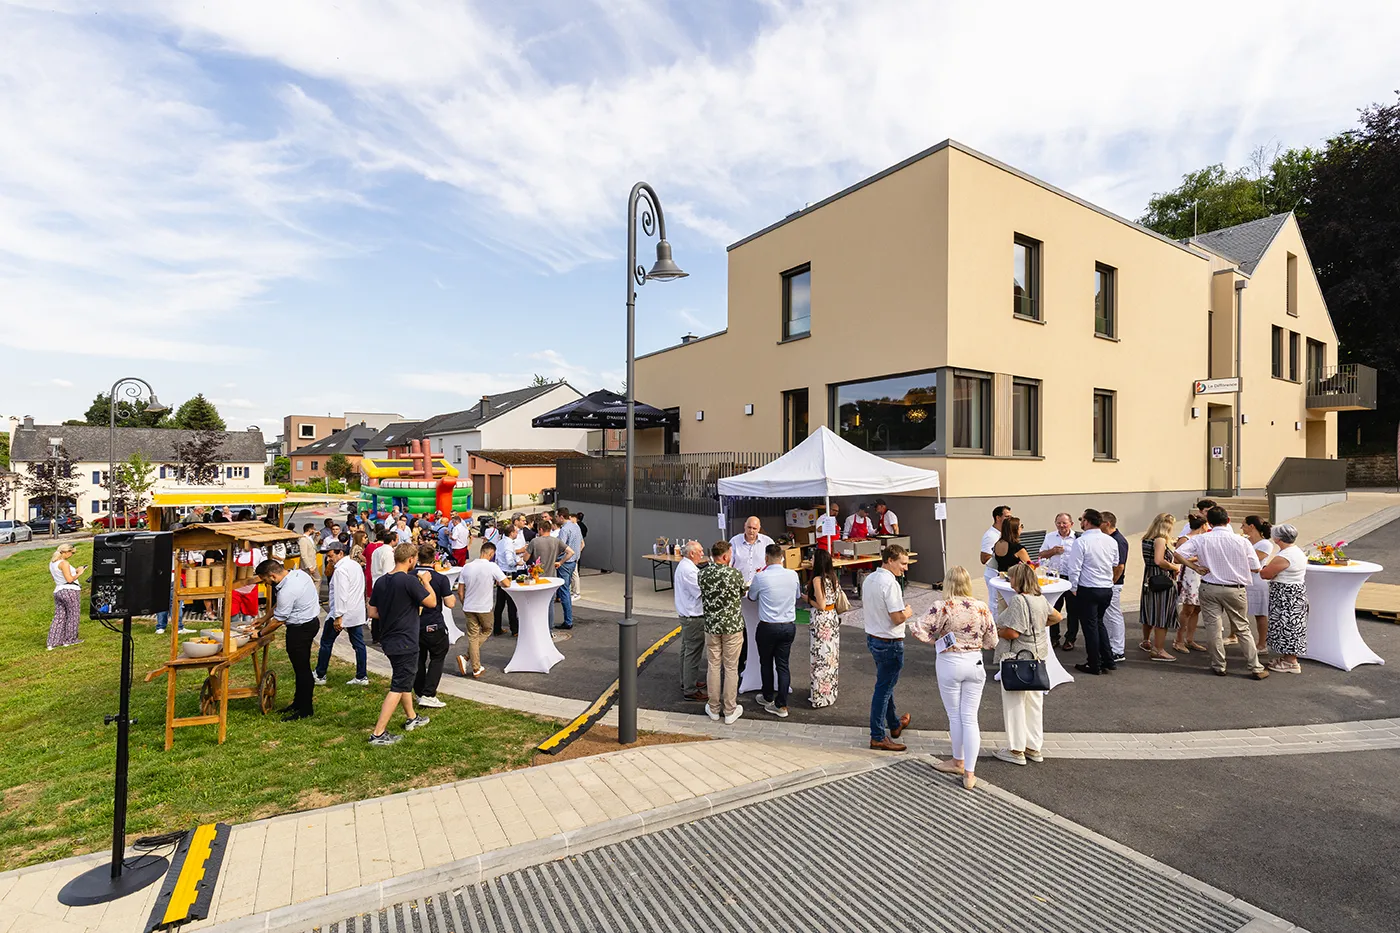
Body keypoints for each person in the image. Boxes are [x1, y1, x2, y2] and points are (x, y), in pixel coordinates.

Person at [911, 566, 995, 789]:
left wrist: (935, 642)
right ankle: (970, 773)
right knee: (971, 718)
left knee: (955, 715)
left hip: (949, 663)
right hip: (975, 663)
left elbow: (918, 628)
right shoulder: (981, 607)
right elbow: (992, 641)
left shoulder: (942, 606)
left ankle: (957, 760)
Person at [1174, 507, 1269, 680]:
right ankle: (1255, 666)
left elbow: (1178, 553)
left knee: (1213, 627)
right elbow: (1256, 567)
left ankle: (1219, 665)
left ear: (1209, 522)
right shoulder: (1242, 541)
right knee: (1242, 628)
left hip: (1209, 585)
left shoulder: (1202, 539)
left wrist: (1195, 567)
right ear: (1228, 520)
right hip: (1235, 588)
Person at [367, 543, 437, 745]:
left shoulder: (382, 582)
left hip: (388, 640)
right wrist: (426, 582)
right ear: (411, 560)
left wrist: (391, 615)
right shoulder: (409, 581)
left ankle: (412, 717)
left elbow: (372, 612)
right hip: (405, 641)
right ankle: (378, 733)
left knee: (403, 678)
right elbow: (431, 602)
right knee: (398, 685)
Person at [994, 563, 1060, 766]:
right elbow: (1057, 616)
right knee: (1034, 704)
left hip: (1017, 656)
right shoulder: (1039, 599)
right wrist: (1038, 628)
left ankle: (1016, 749)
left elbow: (1013, 632)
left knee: (1015, 704)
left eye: (1011, 577)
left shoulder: (1018, 601)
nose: (1010, 581)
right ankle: (1034, 746)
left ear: (1018, 580)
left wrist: (997, 633)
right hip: (1037, 656)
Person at [255, 558, 322, 721]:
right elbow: (280, 606)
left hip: (300, 629)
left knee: (302, 670)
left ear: (272, 576)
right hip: (311, 623)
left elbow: (279, 620)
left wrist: (259, 634)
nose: (266, 584)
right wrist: (264, 618)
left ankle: (305, 709)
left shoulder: (287, 590)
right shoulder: (298, 574)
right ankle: (298, 702)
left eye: (265, 581)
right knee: (300, 668)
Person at [863, 545, 913, 751]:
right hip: (889, 642)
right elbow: (896, 618)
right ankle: (877, 735)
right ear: (890, 560)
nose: (905, 568)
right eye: (903, 563)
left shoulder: (869, 579)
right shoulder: (890, 584)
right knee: (883, 689)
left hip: (873, 638)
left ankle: (894, 724)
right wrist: (908, 612)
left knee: (886, 685)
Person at [745, 543, 801, 718]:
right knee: (783, 665)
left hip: (768, 626)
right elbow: (798, 596)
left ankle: (768, 696)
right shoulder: (793, 575)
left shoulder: (761, 577)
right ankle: (782, 704)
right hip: (788, 625)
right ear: (782, 558)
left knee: (766, 662)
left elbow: (751, 597)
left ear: (766, 558)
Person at [1065, 508, 1118, 675]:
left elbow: (1074, 568)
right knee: (1099, 622)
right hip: (1106, 587)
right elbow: (1115, 562)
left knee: (1090, 627)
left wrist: (1073, 587)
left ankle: (1094, 663)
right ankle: (1108, 660)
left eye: (1082, 520)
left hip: (1089, 588)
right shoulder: (1110, 540)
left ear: (1087, 522)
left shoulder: (1081, 541)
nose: (1081, 523)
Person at [699, 540, 745, 723]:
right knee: (731, 668)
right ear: (725, 556)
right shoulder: (735, 574)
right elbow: (742, 592)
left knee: (713, 665)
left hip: (711, 625)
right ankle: (730, 709)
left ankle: (713, 707)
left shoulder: (703, 574)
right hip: (732, 627)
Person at [313, 540, 369, 686]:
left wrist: (338, 616)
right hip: (355, 612)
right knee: (359, 645)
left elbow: (340, 594)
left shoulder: (340, 570)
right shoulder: (355, 565)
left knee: (326, 642)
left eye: (331, 556)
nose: (328, 559)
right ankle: (362, 676)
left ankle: (320, 674)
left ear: (341, 553)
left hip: (341, 613)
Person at [729, 516, 774, 681]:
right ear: (744, 527)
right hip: (739, 593)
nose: (751, 532)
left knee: (758, 627)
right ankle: (741, 664)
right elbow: (729, 564)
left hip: (759, 592)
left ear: (759, 528)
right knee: (740, 629)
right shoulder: (734, 542)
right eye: (749, 528)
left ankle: (756, 663)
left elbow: (775, 564)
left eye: (755, 529)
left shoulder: (767, 542)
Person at [413, 544, 456, 709]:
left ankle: (419, 691)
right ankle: (429, 693)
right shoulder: (440, 578)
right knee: (437, 657)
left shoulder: (410, 576)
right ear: (434, 560)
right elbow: (450, 603)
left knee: (419, 658)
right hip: (433, 623)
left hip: (415, 624)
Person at [455, 541, 507, 678]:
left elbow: (460, 591)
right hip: (484, 606)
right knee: (487, 630)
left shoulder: (467, 567)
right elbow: (506, 582)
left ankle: (471, 661)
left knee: (472, 635)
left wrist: (464, 602)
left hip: (468, 606)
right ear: (491, 553)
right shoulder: (492, 567)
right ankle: (471, 662)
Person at [1261, 523, 1308, 674]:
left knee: (1286, 625)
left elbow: (1266, 574)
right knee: (1290, 625)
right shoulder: (1296, 551)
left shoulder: (1284, 556)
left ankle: (1291, 662)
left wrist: (1263, 569)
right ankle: (1287, 657)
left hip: (1286, 594)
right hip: (1294, 592)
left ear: (1277, 539)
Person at [1138, 513, 1181, 662]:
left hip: (1149, 578)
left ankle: (1146, 641)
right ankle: (1159, 649)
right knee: (1161, 615)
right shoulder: (1161, 540)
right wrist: (1174, 567)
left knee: (1149, 611)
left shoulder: (1146, 538)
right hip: (1161, 580)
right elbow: (1159, 560)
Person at [673, 541, 708, 701]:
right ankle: (690, 688)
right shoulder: (689, 571)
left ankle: (686, 681)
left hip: (687, 615)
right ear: (692, 553)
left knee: (686, 650)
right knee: (693, 652)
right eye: (700, 551)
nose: (702, 554)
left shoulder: (685, 566)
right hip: (693, 616)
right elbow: (701, 592)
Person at [807, 548, 841, 708]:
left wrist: (807, 599)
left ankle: (819, 695)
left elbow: (820, 604)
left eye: (813, 558)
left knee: (820, 656)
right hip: (832, 617)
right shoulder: (833, 578)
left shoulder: (817, 580)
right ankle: (830, 692)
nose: (811, 561)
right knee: (831, 656)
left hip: (821, 620)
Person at [1173, 513, 1209, 653]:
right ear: (1203, 525)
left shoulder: (1204, 539)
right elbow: (1177, 558)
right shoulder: (1185, 539)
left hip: (1202, 576)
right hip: (1189, 576)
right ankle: (1179, 640)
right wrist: (1197, 558)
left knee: (1197, 608)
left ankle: (1190, 638)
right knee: (1188, 608)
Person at [1040, 512, 1077, 649]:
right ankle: (1054, 637)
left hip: (1071, 578)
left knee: (1073, 610)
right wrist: (1052, 551)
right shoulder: (1050, 537)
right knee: (1053, 608)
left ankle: (1070, 638)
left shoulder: (1078, 538)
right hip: (1054, 578)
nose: (1061, 526)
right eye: (1058, 523)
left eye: (1064, 523)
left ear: (1071, 524)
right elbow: (1041, 554)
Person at [528, 518, 573, 628]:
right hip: (552, 578)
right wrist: (560, 562)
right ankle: (549, 629)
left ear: (541, 529)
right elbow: (571, 552)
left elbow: (525, 558)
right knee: (550, 604)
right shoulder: (556, 541)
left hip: (538, 577)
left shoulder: (535, 541)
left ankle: (538, 628)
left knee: (537, 604)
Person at [1100, 511, 1130, 663]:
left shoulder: (1118, 541)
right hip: (1108, 583)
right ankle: (1110, 645)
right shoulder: (1109, 539)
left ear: (1107, 524)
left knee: (1113, 615)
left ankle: (1118, 650)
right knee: (1107, 616)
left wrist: (1111, 582)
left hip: (1113, 584)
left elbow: (1119, 566)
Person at [1243, 515, 1274, 649]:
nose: (1241, 528)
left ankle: (1262, 643)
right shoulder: (1244, 541)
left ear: (1252, 526)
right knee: (1238, 612)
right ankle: (1233, 636)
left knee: (1260, 614)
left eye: (1244, 525)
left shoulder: (1265, 544)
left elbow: (1253, 560)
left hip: (1257, 581)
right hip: (1243, 579)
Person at [46, 543, 84, 650]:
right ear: (65, 552)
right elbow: (69, 580)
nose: (71, 555)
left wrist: (74, 571)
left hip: (58, 590)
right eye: (71, 553)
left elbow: (56, 578)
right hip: (70, 590)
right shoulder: (64, 563)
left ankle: (52, 642)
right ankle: (70, 640)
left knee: (59, 616)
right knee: (73, 615)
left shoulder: (52, 563)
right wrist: (79, 572)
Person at [554, 506, 583, 629]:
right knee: (567, 589)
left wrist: (558, 561)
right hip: (573, 561)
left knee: (564, 591)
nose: (556, 519)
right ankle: (568, 619)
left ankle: (568, 621)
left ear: (561, 516)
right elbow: (582, 543)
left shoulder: (564, 530)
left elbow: (560, 547)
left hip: (565, 562)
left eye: (556, 516)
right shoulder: (575, 526)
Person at [493, 522, 523, 636]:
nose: (517, 533)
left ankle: (497, 628)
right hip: (509, 574)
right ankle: (514, 629)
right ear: (511, 533)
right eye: (516, 532)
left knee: (500, 603)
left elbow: (497, 558)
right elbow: (510, 561)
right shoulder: (509, 544)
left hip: (500, 573)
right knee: (511, 603)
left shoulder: (500, 542)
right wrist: (518, 562)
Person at [979, 505, 1012, 595]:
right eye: (1007, 517)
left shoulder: (1003, 534)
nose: (1010, 519)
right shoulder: (991, 536)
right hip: (994, 574)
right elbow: (984, 558)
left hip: (1001, 575)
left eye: (1011, 517)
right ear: (998, 518)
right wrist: (1001, 563)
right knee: (995, 602)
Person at [230, 540, 265, 625]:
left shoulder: (257, 552)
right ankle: (234, 628)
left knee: (248, 613)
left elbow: (263, 565)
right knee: (233, 612)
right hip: (236, 587)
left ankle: (247, 629)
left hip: (251, 586)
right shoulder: (236, 553)